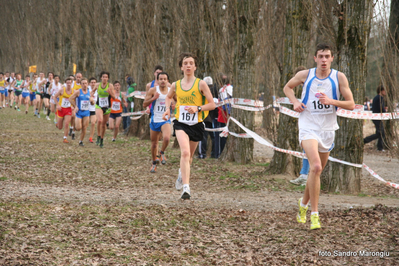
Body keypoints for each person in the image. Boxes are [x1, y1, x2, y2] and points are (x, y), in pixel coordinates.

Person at [283, 43, 355, 230]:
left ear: (332, 58)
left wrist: (331, 101)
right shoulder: (305, 75)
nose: (324, 60)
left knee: (317, 171)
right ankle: (315, 214)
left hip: (328, 128)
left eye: (327, 56)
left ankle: (303, 204)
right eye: (320, 56)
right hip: (308, 125)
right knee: (315, 166)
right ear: (315, 58)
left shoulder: (339, 77)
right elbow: (287, 88)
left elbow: (351, 104)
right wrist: (295, 101)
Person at [162, 52, 216, 199]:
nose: (188, 65)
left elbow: (212, 104)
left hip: (197, 124)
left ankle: (181, 173)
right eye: (185, 63)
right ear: (181, 67)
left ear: (195, 67)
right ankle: (186, 189)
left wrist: (198, 108)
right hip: (181, 123)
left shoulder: (201, 84)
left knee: (190, 157)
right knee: (185, 153)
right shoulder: (176, 85)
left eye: (191, 63)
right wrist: (168, 109)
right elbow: (168, 97)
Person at [144, 72, 172, 173]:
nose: (163, 81)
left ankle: (162, 152)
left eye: (165, 79)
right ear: (158, 80)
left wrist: (174, 105)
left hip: (165, 119)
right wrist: (153, 98)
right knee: (154, 144)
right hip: (155, 119)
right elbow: (144, 104)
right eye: (161, 79)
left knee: (167, 138)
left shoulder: (171, 91)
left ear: (167, 81)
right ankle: (153, 163)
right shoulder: (153, 90)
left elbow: (178, 101)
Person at [289, 66, 310, 186]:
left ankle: (308, 176)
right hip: (306, 122)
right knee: (306, 148)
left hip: (319, 124)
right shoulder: (303, 87)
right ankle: (304, 175)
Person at [91, 71, 116, 148]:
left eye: (106, 77)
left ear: (108, 78)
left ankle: (102, 138)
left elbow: (114, 97)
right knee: (99, 120)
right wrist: (91, 95)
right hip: (99, 105)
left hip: (107, 107)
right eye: (103, 77)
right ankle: (98, 136)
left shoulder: (110, 86)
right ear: (101, 78)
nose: (104, 78)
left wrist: (110, 93)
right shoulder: (98, 85)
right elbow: (92, 91)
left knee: (103, 125)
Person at [69, 78, 93, 146]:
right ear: (81, 84)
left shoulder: (89, 92)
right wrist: (75, 106)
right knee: (78, 128)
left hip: (86, 112)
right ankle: (73, 129)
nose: (84, 85)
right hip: (79, 112)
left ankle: (81, 141)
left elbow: (92, 103)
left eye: (86, 83)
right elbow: (70, 98)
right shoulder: (78, 92)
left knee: (84, 127)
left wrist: (92, 101)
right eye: (83, 83)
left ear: (87, 84)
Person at [198, 76, 217, 159]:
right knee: (213, 136)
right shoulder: (215, 92)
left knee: (203, 136)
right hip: (212, 117)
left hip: (205, 117)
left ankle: (203, 154)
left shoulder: (202, 92)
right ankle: (214, 153)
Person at [364, 85, 387, 151]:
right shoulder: (380, 98)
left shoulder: (376, 98)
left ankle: (380, 147)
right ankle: (365, 140)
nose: (386, 92)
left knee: (381, 133)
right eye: (384, 90)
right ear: (381, 91)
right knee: (380, 133)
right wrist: (385, 111)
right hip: (378, 118)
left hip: (375, 117)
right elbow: (381, 108)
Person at [214, 75, 233, 158]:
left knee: (221, 136)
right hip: (224, 116)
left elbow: (227, 104)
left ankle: (220, 153)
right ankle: (221, 153)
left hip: (224, 116)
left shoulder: (224, 90)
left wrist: (229, 113)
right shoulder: (228, 88)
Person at [54, 78, 75, 143]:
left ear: (72, 83)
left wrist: (73, 106)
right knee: (60, 127)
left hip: (68, 109)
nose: (69, 84)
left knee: (66, 124)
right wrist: (57, 105)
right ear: (65, 83)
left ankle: (65, 138)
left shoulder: (73, 91)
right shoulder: (62, 90)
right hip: (61, 109)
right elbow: (54, 97)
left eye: (70, 83)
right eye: (67, 83)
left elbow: (75, 100)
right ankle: (58, 123)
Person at [88, 77, 98, 143]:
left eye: (94, 82)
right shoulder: (87, 89)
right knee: (85, 124)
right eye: (92, 82)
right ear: (89, 83)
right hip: (86, 109)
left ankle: (91, 137)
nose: (93, 84)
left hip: (94, 109)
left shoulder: (98, 90)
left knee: (93, 123)